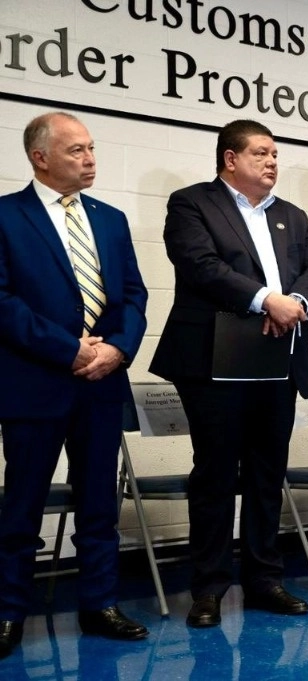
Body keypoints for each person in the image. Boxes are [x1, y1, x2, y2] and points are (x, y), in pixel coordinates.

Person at [149, 119, 308, 627]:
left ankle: (264, 579)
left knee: (267, 472)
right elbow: (200, 265)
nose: (273, 162)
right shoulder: (192, 203)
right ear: (230, 159)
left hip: (278, 357)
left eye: (275, 154)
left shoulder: (292, 217)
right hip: (212, 360)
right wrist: (264, 299)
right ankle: (207, 587)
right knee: (214, 473)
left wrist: (293, 302)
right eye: (261, 153)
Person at [0, 112, 149, 658]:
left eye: (91, 149)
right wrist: (68, 349)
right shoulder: (6, 217)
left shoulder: (109, 220)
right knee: (23, 506)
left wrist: (118, 348)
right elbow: (2, 302)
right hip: (36, 384)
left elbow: (133, 296)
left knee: (98, 506)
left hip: (102, 383)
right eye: (76, 151)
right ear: (40, 157)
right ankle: (9, 611)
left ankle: (100, 604)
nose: (90, 160)